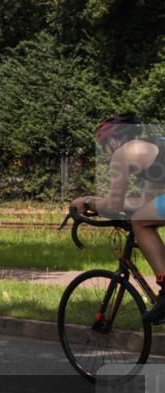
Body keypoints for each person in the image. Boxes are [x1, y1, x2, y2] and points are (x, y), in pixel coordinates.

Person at [71, 113, 165, 323]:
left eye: (105, 147)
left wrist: (87, 202)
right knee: (143, 217)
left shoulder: (122, 152)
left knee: (139, 222)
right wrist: (98, 201)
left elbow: (113, 206)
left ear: (114, 140)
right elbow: (143, 203)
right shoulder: (152, 149)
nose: (106, 153)